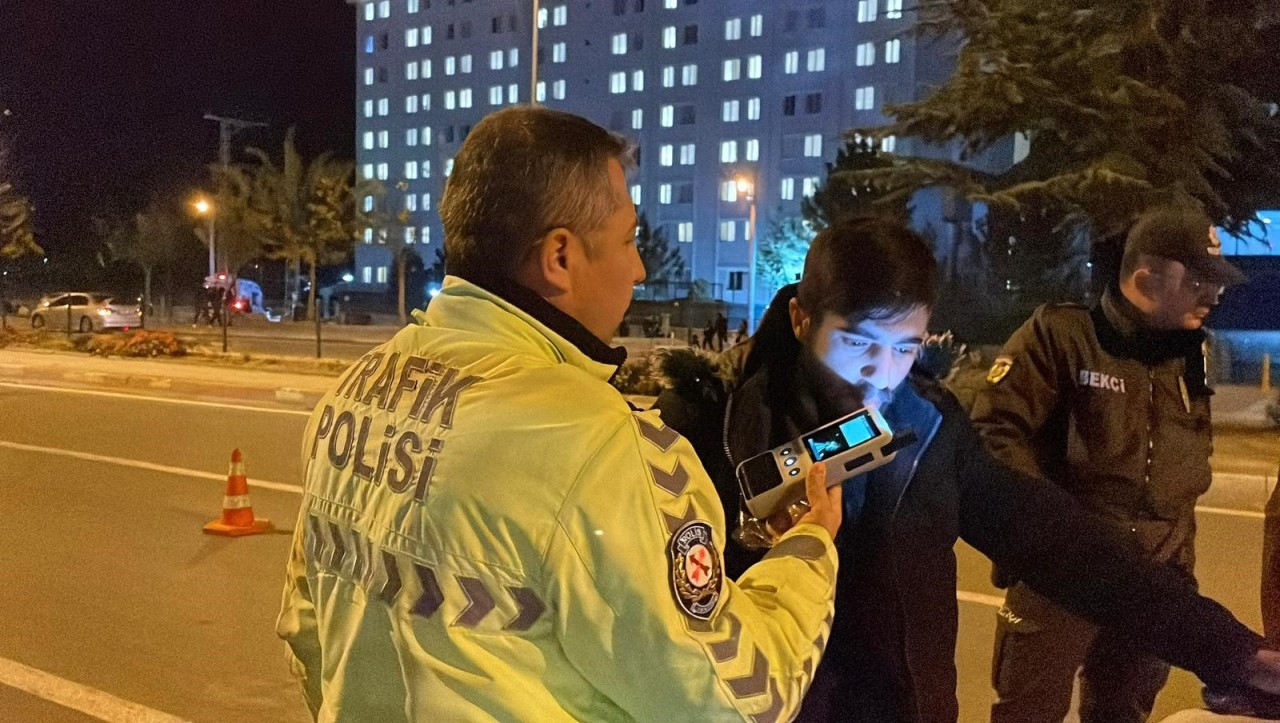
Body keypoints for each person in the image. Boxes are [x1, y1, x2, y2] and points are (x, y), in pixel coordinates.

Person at [276, 106, 844, 721]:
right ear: (560, 258)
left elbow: (307, 631)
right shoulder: (602, 445)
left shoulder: (357, 390)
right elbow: (737, 700)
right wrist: (807, 551)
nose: (640, 268)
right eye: (629, 240)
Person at [652, 216, 1280, 723]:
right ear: (801, 319)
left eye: (904, 347)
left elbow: (1063, 546)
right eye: (858, 343)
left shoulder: (927, 428)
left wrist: (1231, 651)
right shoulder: (710, 426)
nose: (881, 373)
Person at [971, 206, 1250, 723]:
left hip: (1152, 583)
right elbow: (995, 435)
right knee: (1027, 713)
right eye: (1199, 282)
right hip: (1064, 574)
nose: (1215, 295)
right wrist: (1047, 534)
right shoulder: (1061, 336)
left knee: (1122, 712)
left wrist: (1177, 565)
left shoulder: (1191, 352)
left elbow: (1185, 469)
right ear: (1147, 276)